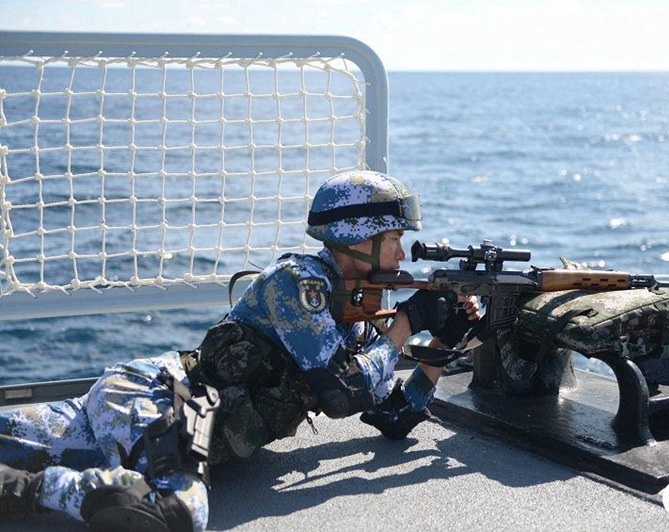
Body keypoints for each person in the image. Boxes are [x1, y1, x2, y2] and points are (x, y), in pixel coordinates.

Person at [0, 170, 480, 531]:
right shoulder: (300, 284)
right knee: (176, 509)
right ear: (358, 238)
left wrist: (440, 341)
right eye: (394, 239)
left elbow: (393, 416)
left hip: (159, 407)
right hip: (166, 396)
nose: (401, 255)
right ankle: (22, 492)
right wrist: (408, 323)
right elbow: (340, 393)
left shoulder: (350, 310)